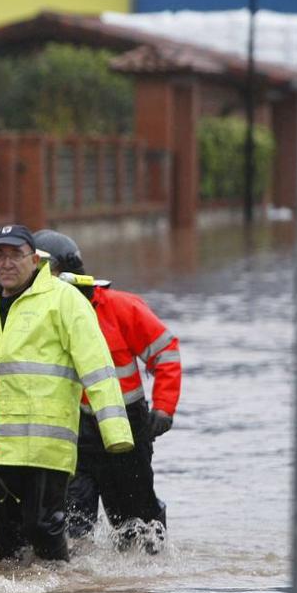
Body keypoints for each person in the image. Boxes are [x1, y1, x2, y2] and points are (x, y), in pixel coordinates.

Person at [0, 224, 133, 563]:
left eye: (16, 255)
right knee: (7, 533)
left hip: (45, 444)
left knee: (43, 525)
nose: (7, 263)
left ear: (35, 260)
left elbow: (96, 366)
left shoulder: (63, 299)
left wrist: (115, 433)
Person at [34, 229, 180, 551]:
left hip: (126, 433)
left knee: (138, 529)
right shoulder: (33, 316)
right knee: (74, 529)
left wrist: (164, 408)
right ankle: (79, 592)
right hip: (71, 436)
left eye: (42, 270)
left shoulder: (120, 308)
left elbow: (165, 351)